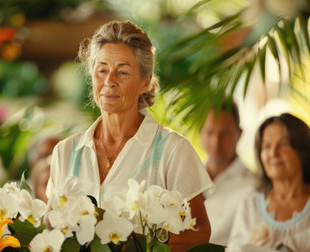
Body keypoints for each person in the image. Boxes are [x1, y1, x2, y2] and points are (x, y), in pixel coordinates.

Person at [46, 20, 214, 251]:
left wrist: (129, 244)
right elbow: (51, 228)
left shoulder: (172, 150)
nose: (109, 81)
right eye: (102, 70)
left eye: (122, 72)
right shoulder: (65, 152)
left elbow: (199, 235)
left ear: (145, 82)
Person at [227, 113, 310, 252]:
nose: (273, 153)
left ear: (303, 149)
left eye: (283, 144)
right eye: (266, 146)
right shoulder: (249, 206)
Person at [200, 101, 257, 246]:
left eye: (224, 134)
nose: (215, 142)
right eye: (210, 132)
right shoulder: (185, 175)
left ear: (239, 134)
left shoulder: (255, 186)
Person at [28, 136, 61, 203]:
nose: (51, 161)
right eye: (45, 156)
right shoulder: (15, 196)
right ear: (33, 163)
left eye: (58, 156)